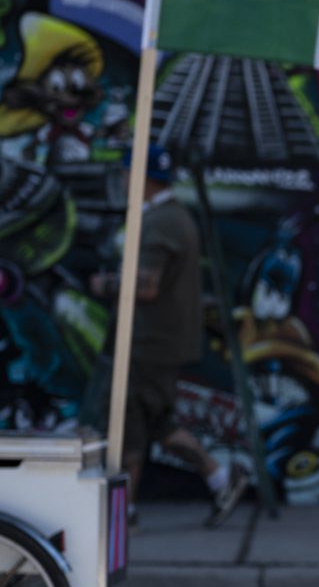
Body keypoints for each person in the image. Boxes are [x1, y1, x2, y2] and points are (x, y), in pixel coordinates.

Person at [91, 144, 248, 528]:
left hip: (148, 342)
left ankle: (122, 514)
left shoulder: (160, 223)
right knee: (159, 423)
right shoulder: (171, 217)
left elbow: (146, 287)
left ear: (143, 178)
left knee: (127, 427)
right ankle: (221, 478)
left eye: (129, 173)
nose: (125, 180)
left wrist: (105, 284)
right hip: (158, 342)